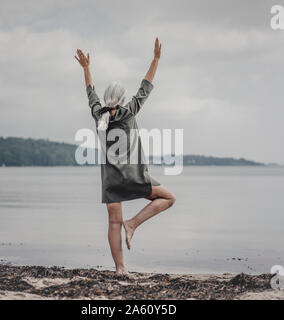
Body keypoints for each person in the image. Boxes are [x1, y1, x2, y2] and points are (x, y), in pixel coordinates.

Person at [74, 37, 176, 275]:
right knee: (169, 198)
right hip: (134, 177)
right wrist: (156, 58)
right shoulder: (129, 112)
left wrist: (87, 69)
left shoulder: (98, 114)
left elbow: (91, 93)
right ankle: (133, 224)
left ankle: (120, 269)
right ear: (121, 100)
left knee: (112, 223)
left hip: (111, 182)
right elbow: (146, 85)